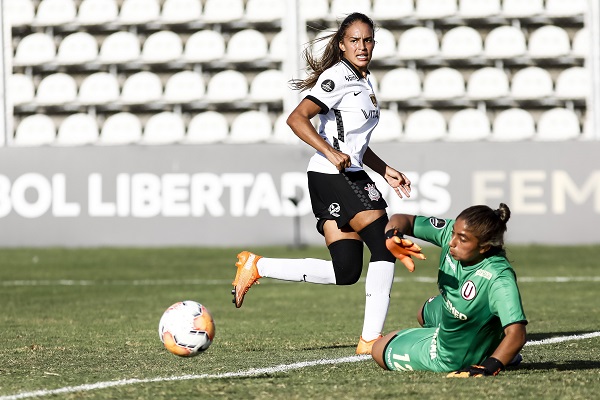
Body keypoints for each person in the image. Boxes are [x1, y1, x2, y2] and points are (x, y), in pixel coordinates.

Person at [231, 12, 424, 355]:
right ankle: (370, 341)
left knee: (346, 270)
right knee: (383, 247)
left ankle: (257, 266)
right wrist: (330, 152)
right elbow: (297, 118)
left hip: (344, 174)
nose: (362, 46)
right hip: (334, 175)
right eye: (354, 40)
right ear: (341, 44)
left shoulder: (363, 79)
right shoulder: (338, 77)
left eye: (367, 40)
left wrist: (383, 168)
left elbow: (354, 140)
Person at [371, 203, 528, 377]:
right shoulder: (451, 235)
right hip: (466, 318)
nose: (452, 242)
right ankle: (491, 346)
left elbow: (517, 333)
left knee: (378, 349)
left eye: (462, 239)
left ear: (484, 247)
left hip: (452, 357)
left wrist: (490, 367)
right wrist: (392, 235)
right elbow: (402, 220)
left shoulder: (498, 277)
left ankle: (488, 354)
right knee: (425, 312)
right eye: (453, 232)